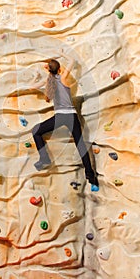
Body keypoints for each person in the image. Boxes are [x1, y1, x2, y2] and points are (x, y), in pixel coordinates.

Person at [31, 53, 99, 191]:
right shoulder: (63, 77)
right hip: (72, 116)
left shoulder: (48, 82)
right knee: (81, 146)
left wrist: (38, 76)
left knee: (36, 131)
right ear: (60, 69)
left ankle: (44, 158)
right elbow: (72, 60)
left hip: (60, 116)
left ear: (49, 70)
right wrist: (61, 53)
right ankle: (91, 177)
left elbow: (32, 86)